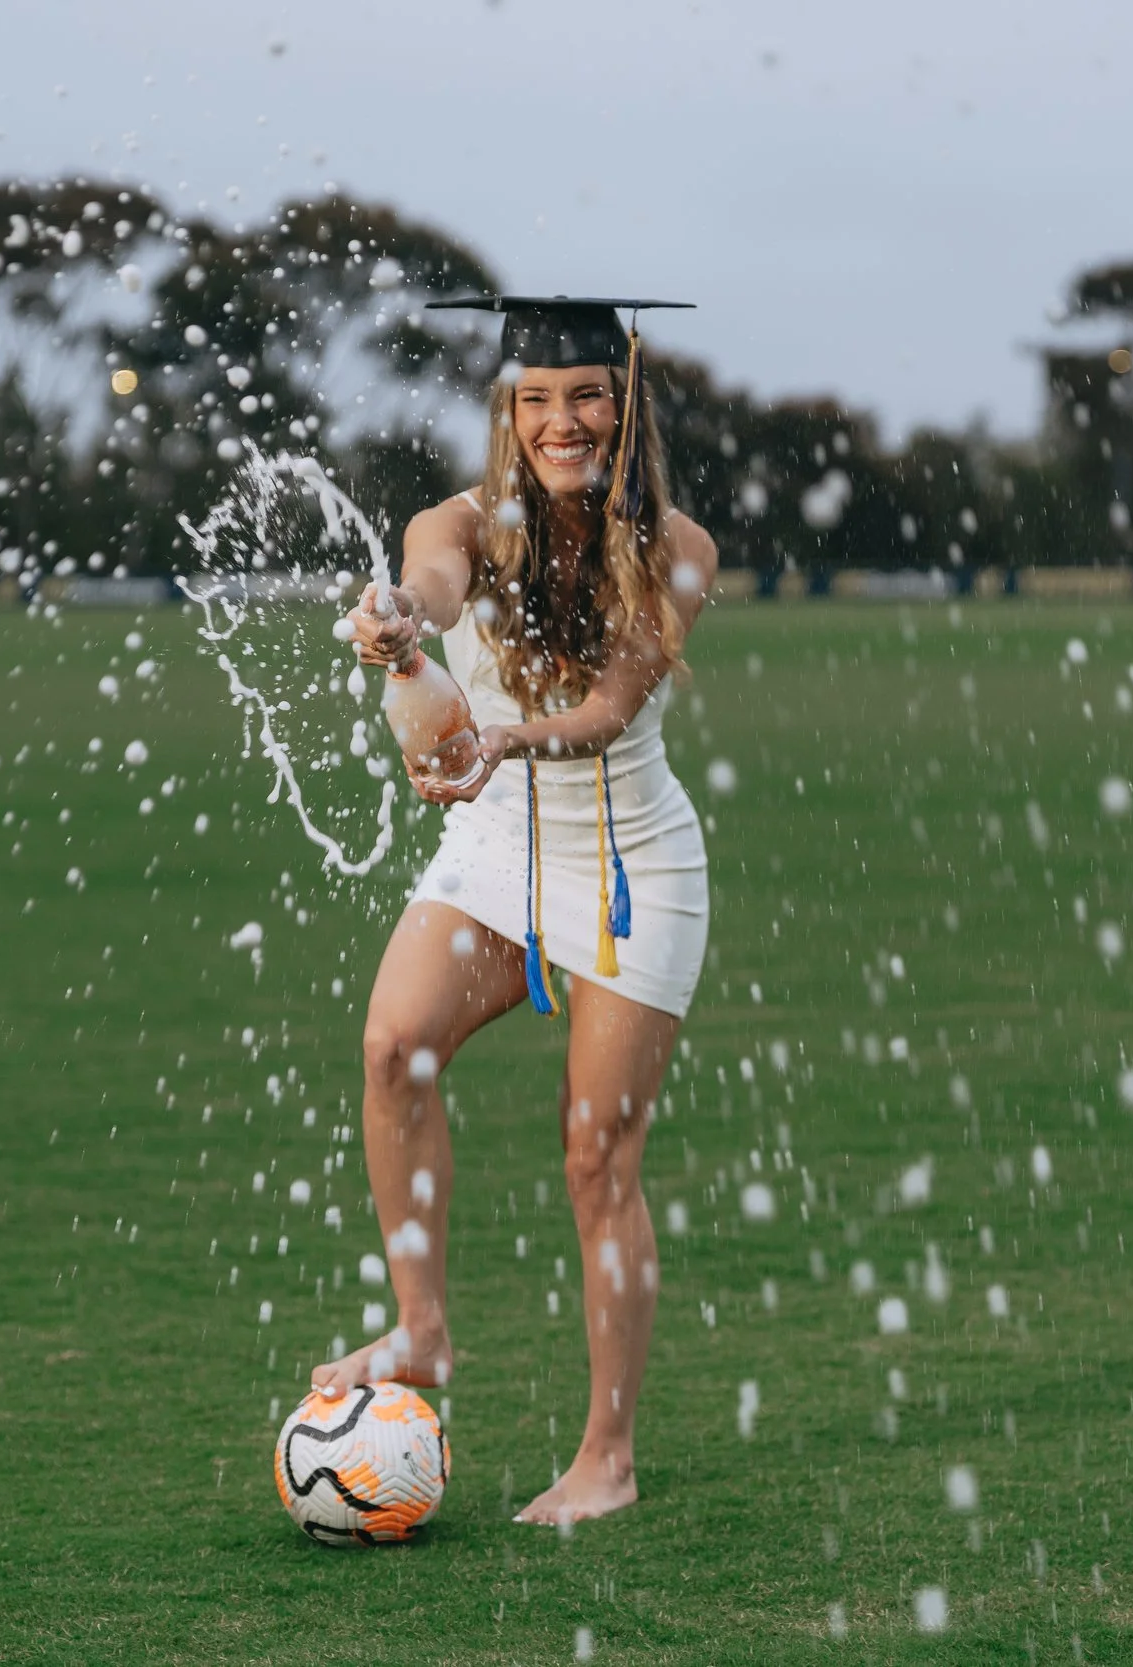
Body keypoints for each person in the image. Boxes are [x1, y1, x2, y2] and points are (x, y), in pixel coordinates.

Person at [315, 296, 717, 1528]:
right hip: (494, 846)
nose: (562, 420)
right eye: (536, 398)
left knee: (596, 1157)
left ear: (627, 400)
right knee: (393, 1045)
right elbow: (433, 583)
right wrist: (399, 620)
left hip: (627, 866)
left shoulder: (678, 547)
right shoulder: (456, 524)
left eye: (588, 393)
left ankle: (608, 1454)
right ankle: (423, 1330)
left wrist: (506, 735)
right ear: (507, 409)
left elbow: (605, 711)